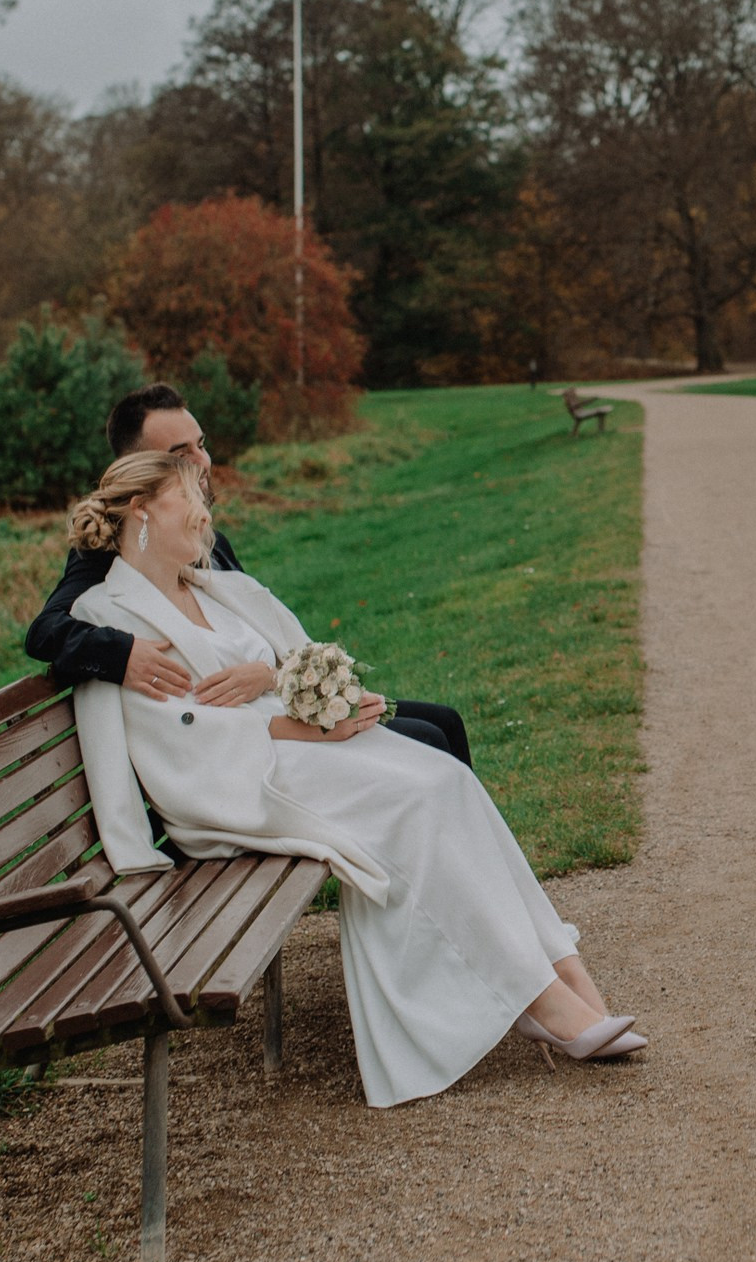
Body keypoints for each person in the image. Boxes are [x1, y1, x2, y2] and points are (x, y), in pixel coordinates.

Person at [63, 450, 643, 1106]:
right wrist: (313, 727)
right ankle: (543, 1003)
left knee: (445, 779)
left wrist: (322, 702)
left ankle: (565, 973)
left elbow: (280, 662)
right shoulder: (110, 614)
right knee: (415, 798)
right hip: (239, 782)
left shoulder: (210, 586)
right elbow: (183, 731)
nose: (205, 513)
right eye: (187, 498)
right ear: (142, 511)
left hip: (294, 752)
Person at [24, 382, 471, 766]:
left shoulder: (211, 544)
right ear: (140, 472)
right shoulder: (106, 556)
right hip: (235, 746)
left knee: (443, 720)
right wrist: (121, 654)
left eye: (202, 445)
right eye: (180, 455)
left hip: (273, 701)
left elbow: (248, 629)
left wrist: (271, 675)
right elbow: (46, 632)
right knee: (426, 740)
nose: (202, 462)